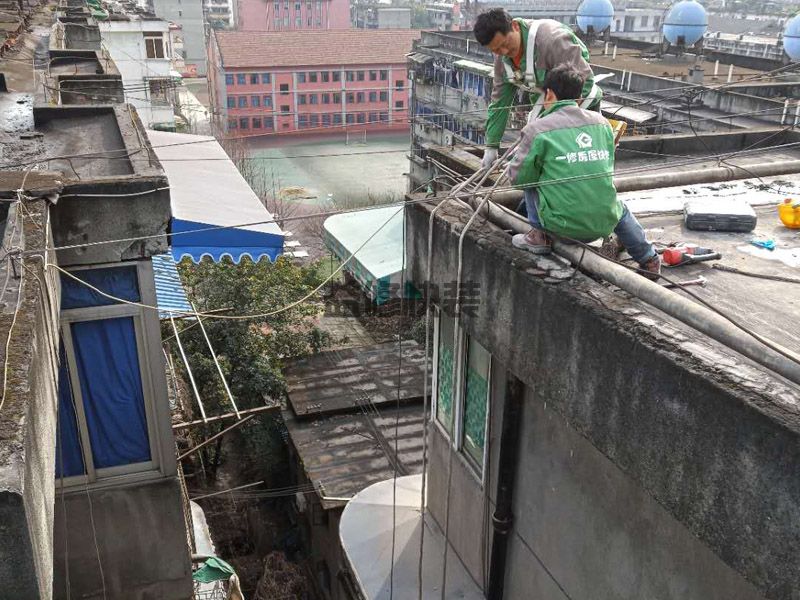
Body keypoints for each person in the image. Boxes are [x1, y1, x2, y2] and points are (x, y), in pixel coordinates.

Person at [507, 65, 661, 279]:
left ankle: (540, 236)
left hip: (560, 228)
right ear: (579, 97)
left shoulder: (537, 130)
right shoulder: (603, 124)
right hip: (604, 223)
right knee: (618, 207)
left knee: (531, 180)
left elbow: (518, 179)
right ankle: (648, 258)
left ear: (549, 93)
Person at [474, 8, 603, 170]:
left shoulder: (552, 40)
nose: (504, 52)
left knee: (570, 165)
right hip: (545, 106)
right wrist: (491, 146)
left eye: (505, 44)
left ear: (514, 26)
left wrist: (548, 125)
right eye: (496, 50)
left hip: (581, 105)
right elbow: (500, 102)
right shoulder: (503, 59)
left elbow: (585, 82)